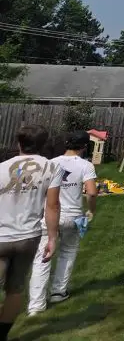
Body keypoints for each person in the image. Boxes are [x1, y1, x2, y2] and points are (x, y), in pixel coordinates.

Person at [27, 130, 97, 315]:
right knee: (67, 252)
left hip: (49, 215)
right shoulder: (85, 165)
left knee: (42, 258)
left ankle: (36, 305)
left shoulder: (50, 163)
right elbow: (91, 192)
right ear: (84, 146)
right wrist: (91, 210)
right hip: (73, 216)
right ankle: (58, 292)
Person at [0, 125, 60, 339]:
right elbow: (52, 206)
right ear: (44, 145)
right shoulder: (51, 168)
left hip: (1, 235)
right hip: (29, 237)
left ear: (18, 143)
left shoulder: (1, 167)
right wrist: (52, 238)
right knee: (15, 289)